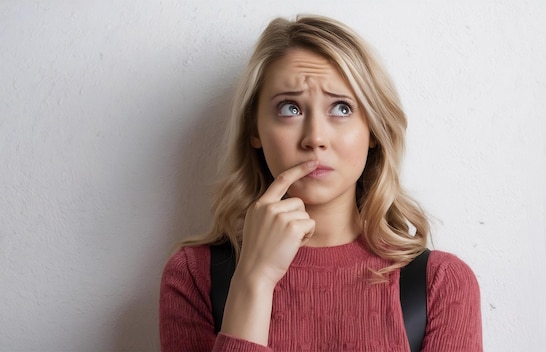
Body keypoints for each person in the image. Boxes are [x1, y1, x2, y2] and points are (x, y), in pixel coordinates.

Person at [160, 14, 482, 352]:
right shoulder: (194, 276)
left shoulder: (441, 284)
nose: (315, 138)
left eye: (341, 109)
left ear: (372, 129)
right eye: (290, 108)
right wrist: (254, 280)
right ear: (254, 129)